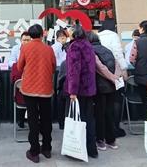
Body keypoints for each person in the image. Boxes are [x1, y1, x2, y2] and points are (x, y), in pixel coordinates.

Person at [17, 24, 56, 163]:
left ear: (30, 35)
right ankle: (47, 148)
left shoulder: (25, 48)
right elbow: (53, 67)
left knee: (32, 120)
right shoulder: (49, 49)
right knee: (46, 119)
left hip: (29, 89)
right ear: (41, 35)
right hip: (45, 88)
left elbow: (19, 67)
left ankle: (34, 152)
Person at [65, 27, 98, 159]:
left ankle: (78, 148)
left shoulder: (75, 47)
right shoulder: (88, 45)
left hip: (79, 89)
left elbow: (74, 70)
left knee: (78, 119)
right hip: (89, 88)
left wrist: (72, 91)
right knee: (89, 119)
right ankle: (92, 149)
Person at [87, 31, 119, 152]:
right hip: (111, 87)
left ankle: (100, 140)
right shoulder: (107, 50)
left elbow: (100, 68)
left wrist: (112, 77)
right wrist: (115, 78)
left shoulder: (91, 51)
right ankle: (111, 140)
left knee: (99, 113)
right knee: (109, 113)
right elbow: (117, 64)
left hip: (100, 87)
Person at [10, 33, 32, 129]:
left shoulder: (34, 50)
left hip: (24, 96)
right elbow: (10, 62)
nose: (26, 42)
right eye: (24, 40)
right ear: (21, 40)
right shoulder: (16, 49)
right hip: (32, 95)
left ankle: (25, 121)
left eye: (28, 40)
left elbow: (12, 81)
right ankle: (23, 121)